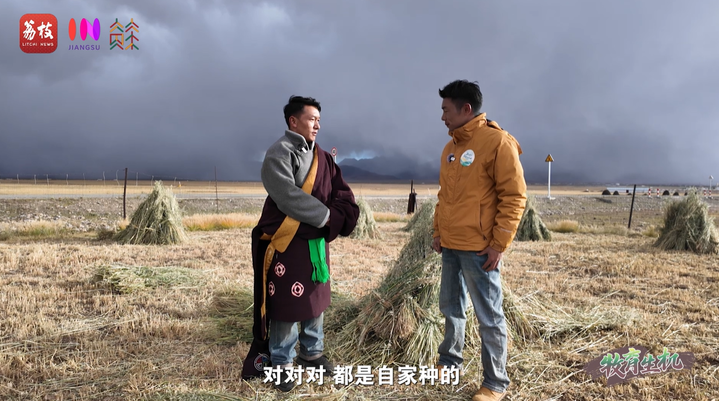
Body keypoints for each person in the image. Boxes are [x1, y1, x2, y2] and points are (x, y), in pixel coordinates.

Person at [241, 95, 359, 392]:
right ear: (293, 121)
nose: (317, 125)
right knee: (287, 300)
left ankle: (312, 352)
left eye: (319, 120)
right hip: (288, 240)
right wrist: (327, 217)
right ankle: (281, 361)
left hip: (315, 240)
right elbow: (287, 195)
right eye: (311, 119)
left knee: (315, 296)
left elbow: (340, 191)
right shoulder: (278, 153)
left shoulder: (324, 157)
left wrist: (342, 213)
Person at [431, 80, 527, 401]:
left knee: (489, 317)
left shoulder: (498, 142)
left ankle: (495, 383)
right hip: (451, 246)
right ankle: (450, 362)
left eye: (446, 109)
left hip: (479, 249)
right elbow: (445, 196)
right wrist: (438, 232)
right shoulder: (450, 148)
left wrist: (498, 244)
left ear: (466, 109)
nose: (442, 116)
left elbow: (514, 196)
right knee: (451, 307)